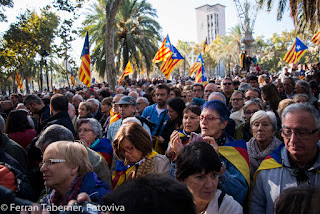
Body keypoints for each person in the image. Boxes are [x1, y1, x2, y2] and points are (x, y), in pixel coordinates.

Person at [250, 103, 320, 214]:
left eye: (301, 133)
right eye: (287, 132)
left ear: (318, 134)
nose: (293, 140)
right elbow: (257, 205)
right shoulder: (267, 169)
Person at [198, 100, 249, 204]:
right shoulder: (192, 144)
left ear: (224, 123)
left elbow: (239, 195)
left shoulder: (235, 150)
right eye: (201, 118)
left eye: (210, 118)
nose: (203, 122)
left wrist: (218, 164)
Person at [176, 141, 243, 214]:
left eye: (214, 175)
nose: (209, 185)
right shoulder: (169, 205)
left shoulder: (229, 208)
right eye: (200, 177)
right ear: (183, 179)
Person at [39, 141, 110, 205]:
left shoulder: (101, 199)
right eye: (43, 163)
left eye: (51, 162)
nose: (42, 169)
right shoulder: (50, 199)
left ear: (74, 166)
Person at [112, 122, 170, 189]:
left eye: (130, 148)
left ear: (141, 143)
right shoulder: (125, 166)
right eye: (122, 151)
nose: (126, 154)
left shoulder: (160, 163)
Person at [246, 110, 283, 183]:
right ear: (251, 130)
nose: (260, 128)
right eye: (256, 125)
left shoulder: (281, 151)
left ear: (273, 130)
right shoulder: (244, 150)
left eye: (265, 125)